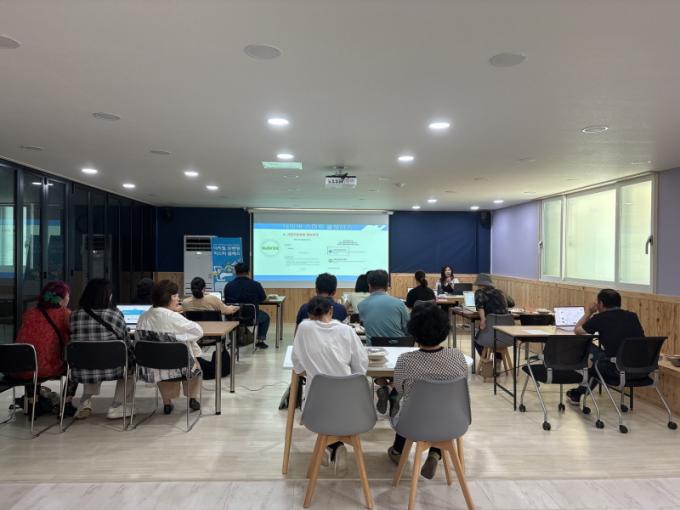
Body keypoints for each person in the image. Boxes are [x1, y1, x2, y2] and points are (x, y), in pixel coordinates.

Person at [387, 302, 468, 480]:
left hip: (415, 424)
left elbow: (399, 389)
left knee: (400, 402)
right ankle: (435, 453)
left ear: (414, 331)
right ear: (444, 329)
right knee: (440, 407)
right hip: (453, 421)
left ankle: (398, 450)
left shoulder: (405, 360)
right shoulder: (457, 356)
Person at [292, 296, 368, 475]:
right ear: (331, 311)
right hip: (351, 410)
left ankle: (331, 447)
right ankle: (334, 446)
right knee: (338, 404)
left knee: (324, 406)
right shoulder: (346, 330)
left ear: (309, 314)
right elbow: (361, 368)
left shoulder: (304, 328)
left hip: (315, 411)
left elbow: (298, 366)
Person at [69, 278, 135, 420]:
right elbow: (125, 342)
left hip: (82, 367)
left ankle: (85, 401)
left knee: (91, 354)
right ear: (107, 295)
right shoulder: (115, 314)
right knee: (131, 368)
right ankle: (117, 406)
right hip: (112, 367)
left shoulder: (75, 314)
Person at [566, 289, 645, 405]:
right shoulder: (632, 316)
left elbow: (577, 330)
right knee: (598, 363)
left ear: (601, 304)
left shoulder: (600, 318)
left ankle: (577, 391)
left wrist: (588, 312)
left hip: (616, 368)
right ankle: (577, 393)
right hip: (643, 367)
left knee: (587, 348)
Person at [136, 280, 203, 414]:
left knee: (163, 360)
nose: (178, 299)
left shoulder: (143, 317)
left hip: (152, 367)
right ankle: (192, 398)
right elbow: (198, 331)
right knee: (193, 359)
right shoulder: (173, 317)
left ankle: (167, 403)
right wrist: (181, 337)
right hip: (179, 366)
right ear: (169, 297)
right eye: (176, 295)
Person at [14, 281, 78, 416]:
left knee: (32, 358)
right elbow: (72, 338)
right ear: (60, 299)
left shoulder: (30, 313)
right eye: (67, 296)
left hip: (20, 366)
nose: (69, 298)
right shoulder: (65, 314)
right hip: (47, 367)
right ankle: (66, 404)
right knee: (75, 366)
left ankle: (33, 404)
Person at [357, 269, 409, 414]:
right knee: (395, 364)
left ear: (369, 286)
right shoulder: (399, 304)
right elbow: (406, 327)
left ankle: (383, 387)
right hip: (400, 348)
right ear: (387, 285)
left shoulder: (362, 305)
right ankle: (394, 388)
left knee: (372, 355)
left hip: (376, 351)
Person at [223, 262, 270, 349]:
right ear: (248, 272)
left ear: (235, 272)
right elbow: (263, 298)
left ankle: (233, 340)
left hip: (232, 317)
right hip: (251, 318)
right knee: (266, 317)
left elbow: (226, 302)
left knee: (232, 316)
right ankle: (260, 341)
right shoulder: (256, 285)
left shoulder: (228, 286)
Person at [473, 273, 515, 356]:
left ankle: (485, 361)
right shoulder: (500, 292)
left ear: (479, 284)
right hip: (506, 335)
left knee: (477, 340)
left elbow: (480, 306)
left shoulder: (479, 293)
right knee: (498, 341)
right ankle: (498, 361)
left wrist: (482, 320)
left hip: (489, 332)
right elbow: (512, 303)